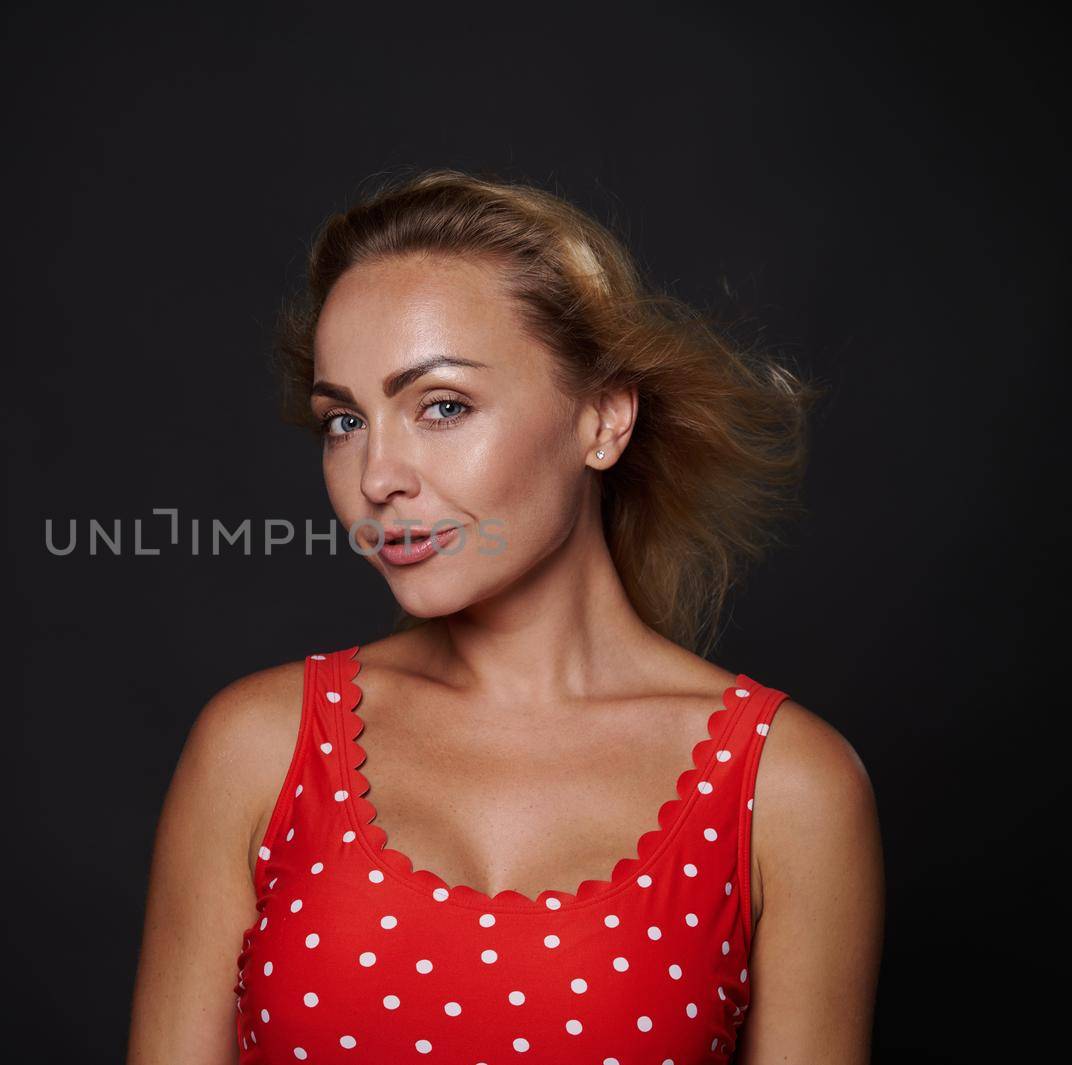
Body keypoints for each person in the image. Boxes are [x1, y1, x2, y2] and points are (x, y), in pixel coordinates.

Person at [126, 169, 884, 1064]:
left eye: (441, 406)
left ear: (602, 418)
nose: (377, 477)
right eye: (344, 421)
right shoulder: (258, 746)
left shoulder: (786, 788)